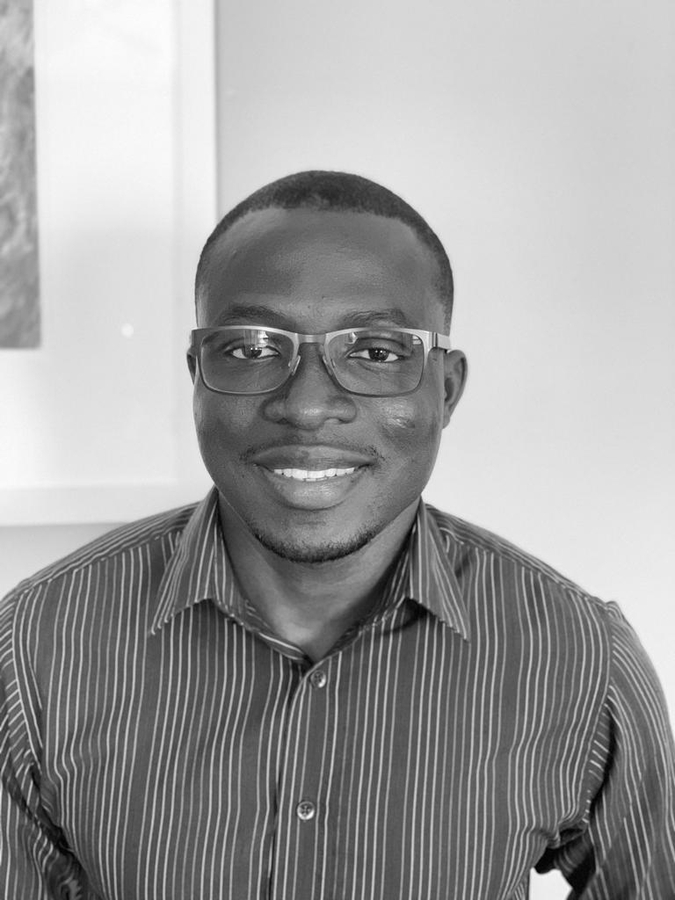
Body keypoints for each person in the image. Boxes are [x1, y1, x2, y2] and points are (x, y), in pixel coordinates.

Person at [1, 170, 673, 900]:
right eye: (252, 349)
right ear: (196, 376)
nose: (308, 406)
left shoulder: (582, 659)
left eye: (375, 353)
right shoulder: (34, 651)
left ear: (446, 390)